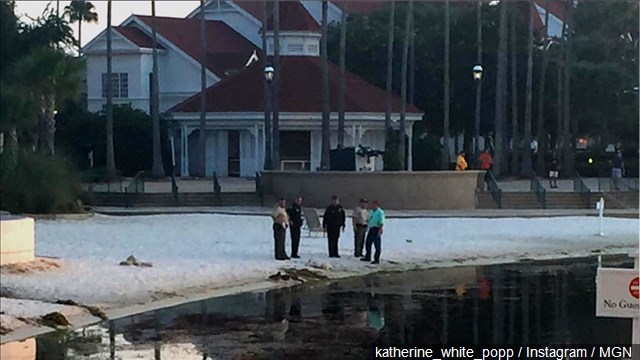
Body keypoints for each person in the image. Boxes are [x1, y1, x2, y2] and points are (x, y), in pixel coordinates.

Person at [361, 200, 384, 264]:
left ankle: (376, 259)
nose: (373, 206)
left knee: (377, 245)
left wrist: (380, 230)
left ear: (377, 205)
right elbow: (369, 220)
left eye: (374, 205)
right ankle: (368, 256)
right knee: (368, 243)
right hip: (371, 229)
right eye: (372, 205)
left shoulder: (380, 212)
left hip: (376, 229)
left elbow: (381, 222)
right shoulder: (371, 212)